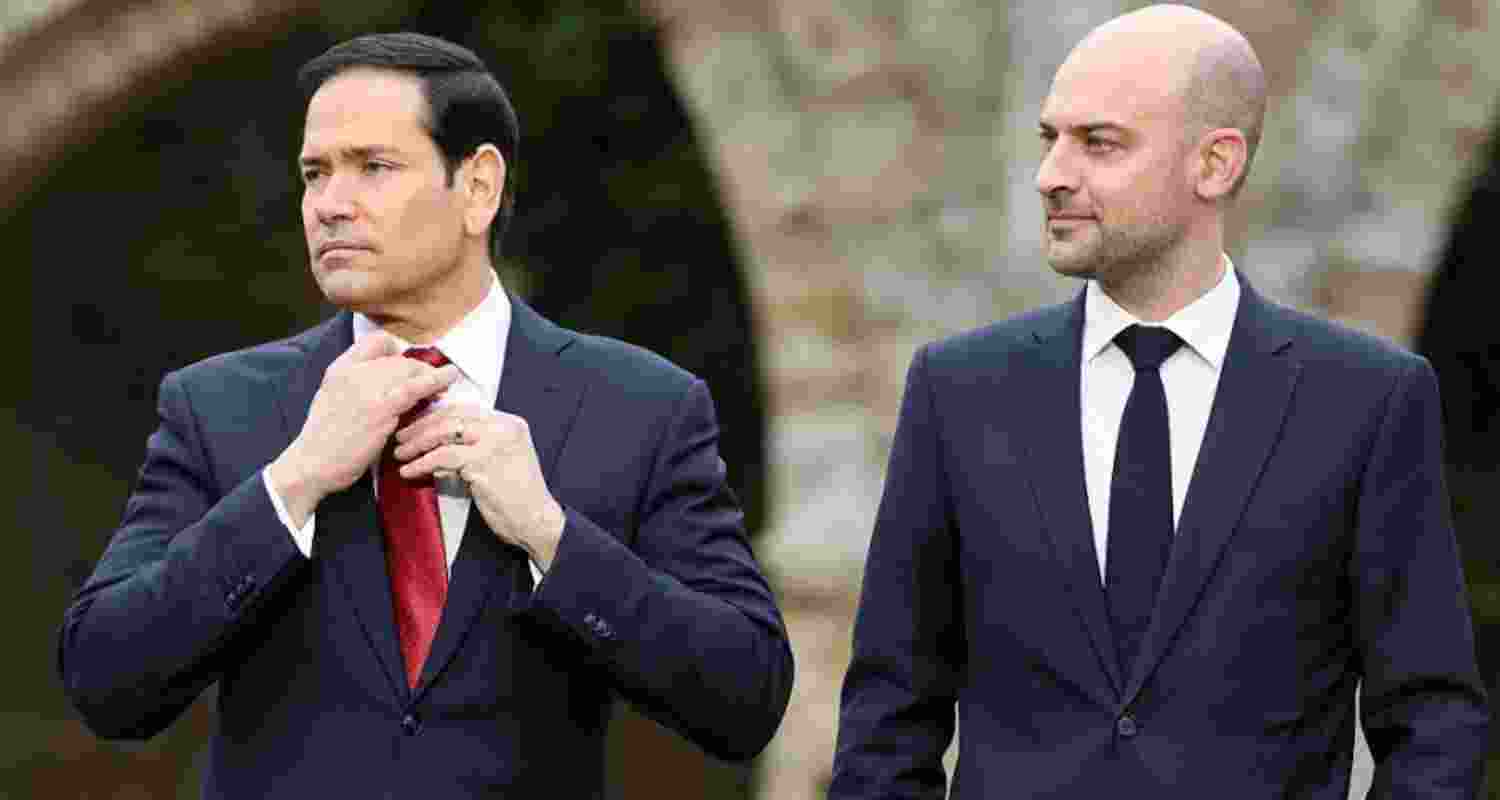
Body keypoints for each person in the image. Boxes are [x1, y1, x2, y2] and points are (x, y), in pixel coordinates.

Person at [58, 32, 792, 798]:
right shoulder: (217, 405)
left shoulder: (640, 406)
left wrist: (551, 533)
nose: (330, 205)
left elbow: (746, 696)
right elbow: (105, 679)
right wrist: (292, 484)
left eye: (373, 167)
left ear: (477, 187)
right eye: (316, 174)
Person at [829, 5, 1489, 797]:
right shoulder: (959, 392)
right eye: (1050, 139)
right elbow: (888, 716)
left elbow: (1432, 722)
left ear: (1214, 164)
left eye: (1098, 142)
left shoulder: (1367, 400)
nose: (1051, 175)